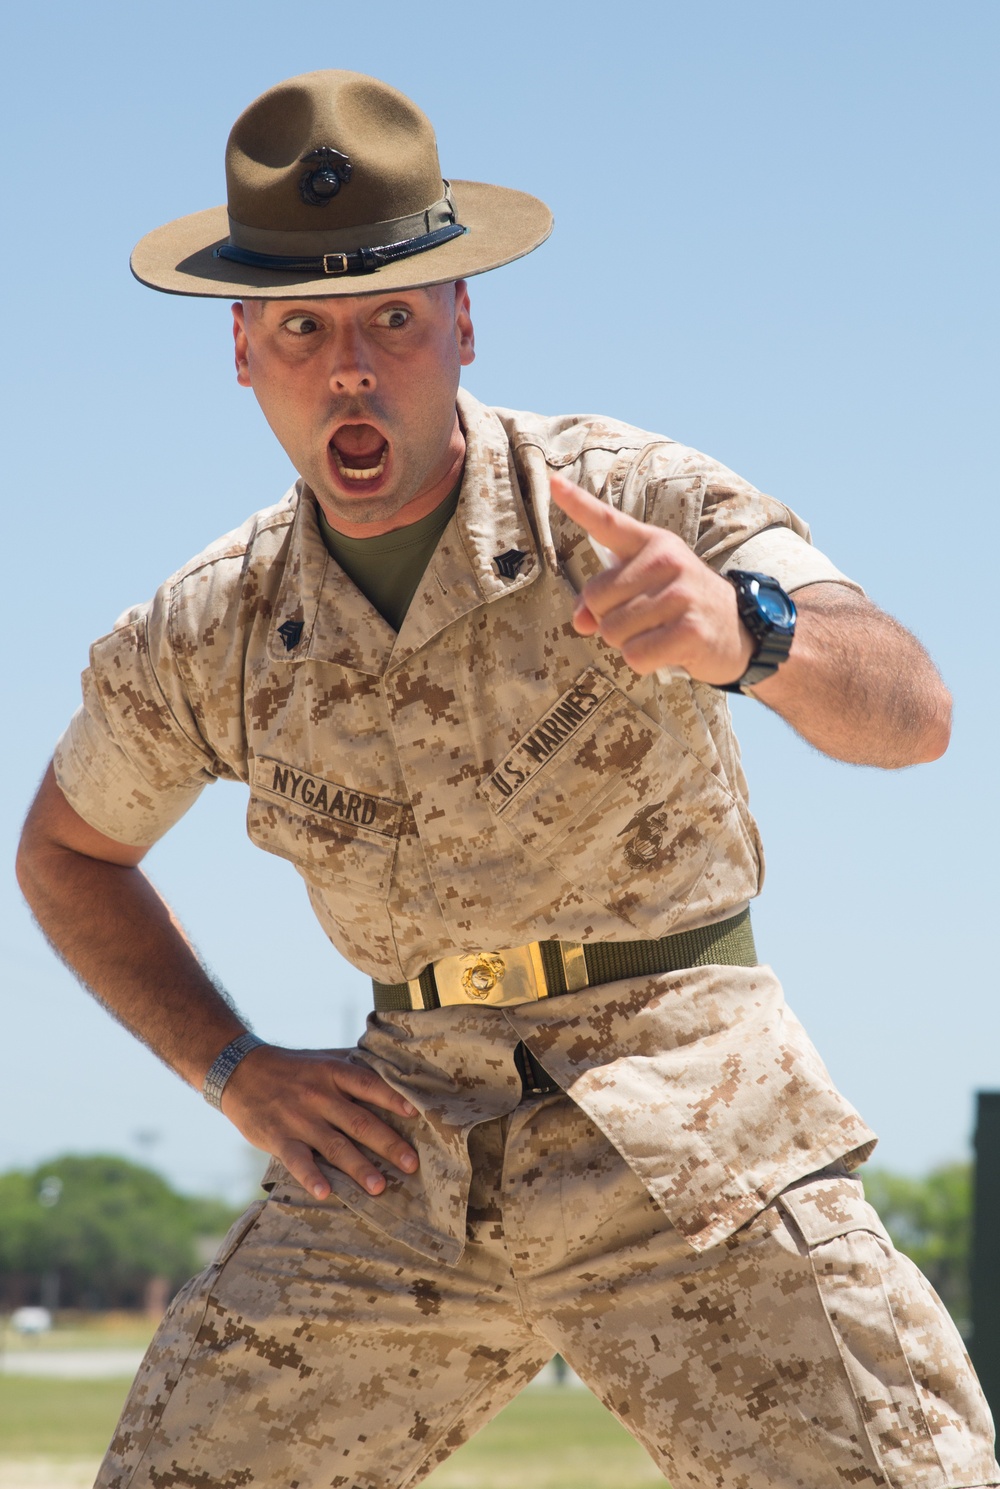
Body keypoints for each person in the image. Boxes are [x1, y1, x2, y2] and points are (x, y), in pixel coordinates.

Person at [16, 68, 998, 1489]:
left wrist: (750, 635)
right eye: (303, 326)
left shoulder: (633, 499)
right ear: (243, 348)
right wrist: (228, 1068)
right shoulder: (207, 630)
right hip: (399, 1156)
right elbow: (66, 849)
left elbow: (914, 709)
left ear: (462, 323)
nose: (350, 367)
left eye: (391, 321)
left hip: (689, 1121)